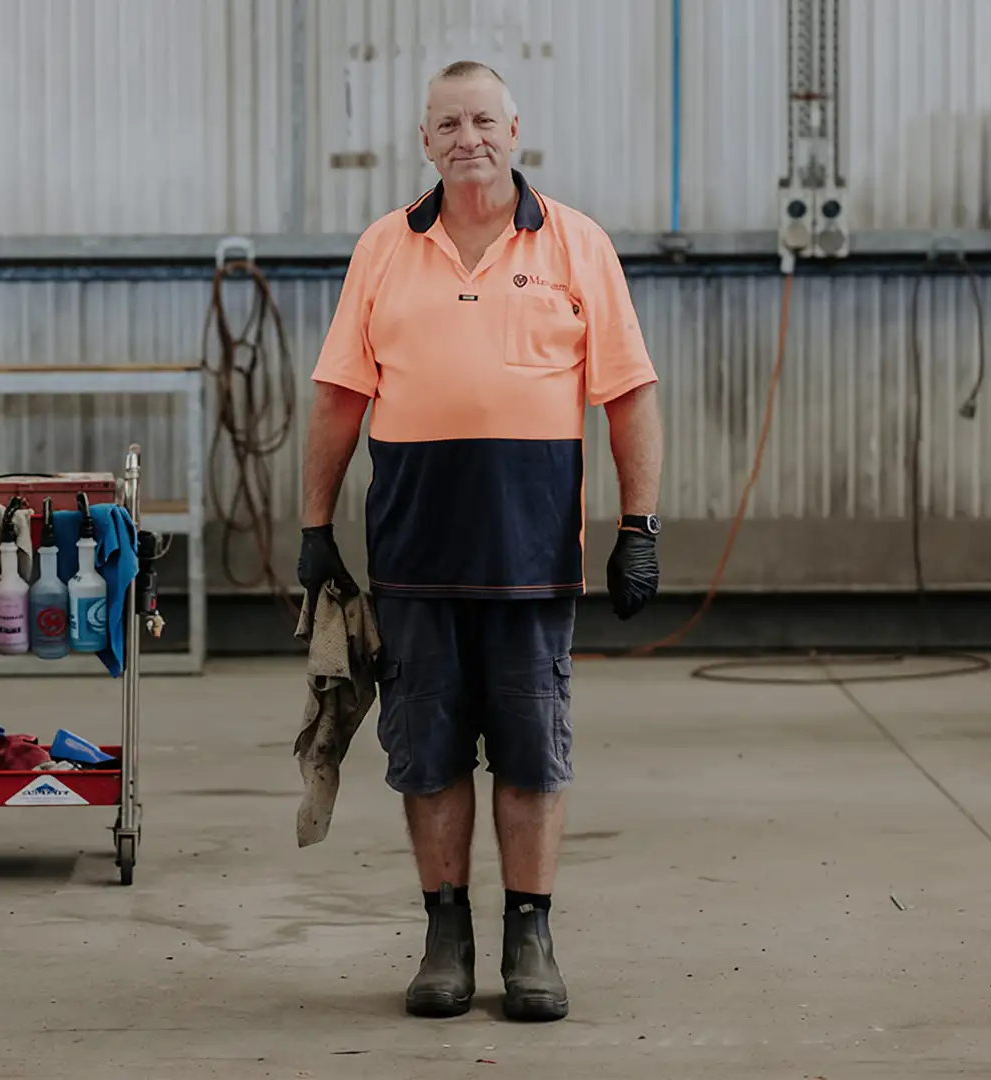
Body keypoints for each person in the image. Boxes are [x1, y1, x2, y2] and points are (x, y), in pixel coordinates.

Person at [296, 60, 663, 1022]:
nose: (470, 136)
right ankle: (446, 934)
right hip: (414, 556)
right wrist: (312, 526)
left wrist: (639, 525)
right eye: (450, 123)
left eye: (485, 120)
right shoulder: (383, 248)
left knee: (535, 754)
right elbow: (339, 396)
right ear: (426, 140)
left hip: (532, 558)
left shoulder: (578, 245)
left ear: (516, 130)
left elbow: (628, 394)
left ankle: (530, 936)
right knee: (429, 753)